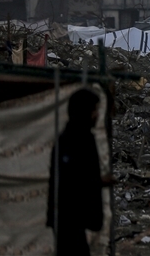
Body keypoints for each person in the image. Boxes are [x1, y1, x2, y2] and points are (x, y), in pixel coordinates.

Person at [47, 88, 110, 256]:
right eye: (94, 110)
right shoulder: (72, 140)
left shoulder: (79, 137)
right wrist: (97, 182)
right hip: (69, 219)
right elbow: (72, 183)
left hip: (72, 220)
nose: (96, 115)